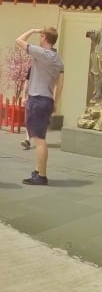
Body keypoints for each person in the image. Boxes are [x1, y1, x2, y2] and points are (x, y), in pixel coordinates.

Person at [15, 27, 64, 185]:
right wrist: (55, 103)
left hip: (37, 99)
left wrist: (32, 30)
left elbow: (19, 40)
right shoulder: (58, 59)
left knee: (39, 139)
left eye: (41, 36)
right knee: (40, 137)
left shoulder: (42, 53)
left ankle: (42, 175)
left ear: (44, 37)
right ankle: (38, 170)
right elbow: (60, 84)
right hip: (47, 99)